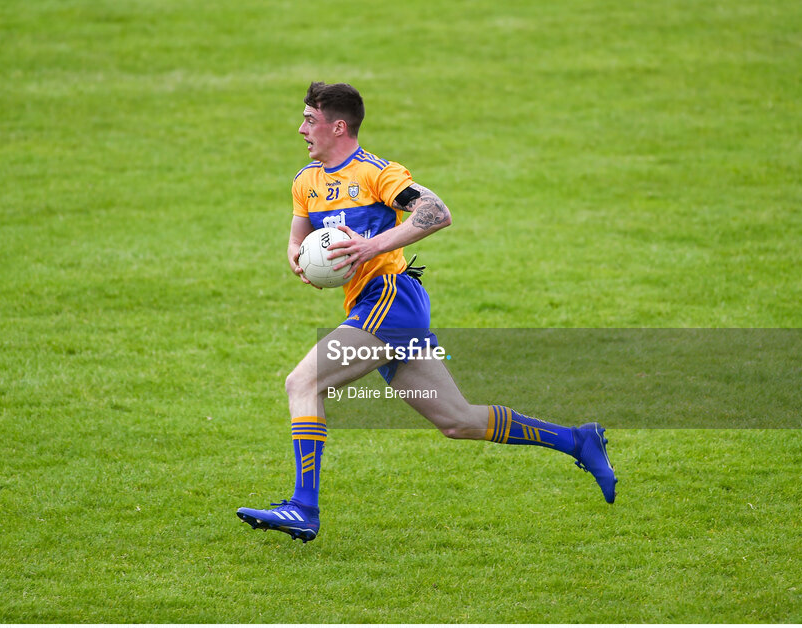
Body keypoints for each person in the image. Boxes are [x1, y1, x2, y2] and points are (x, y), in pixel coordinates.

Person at [237, 82, 616, 543]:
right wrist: (298, 257)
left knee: (302, 382)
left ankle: (303, 506)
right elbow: (297, 237)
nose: (301, 129)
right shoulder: (306, 181)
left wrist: (371, 246)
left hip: (390, 297)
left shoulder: (377, 173)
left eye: (309, 121)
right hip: (373, 303)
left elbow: (437, 210)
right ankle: (578, 440)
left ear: (338, 126)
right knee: (459, 421)